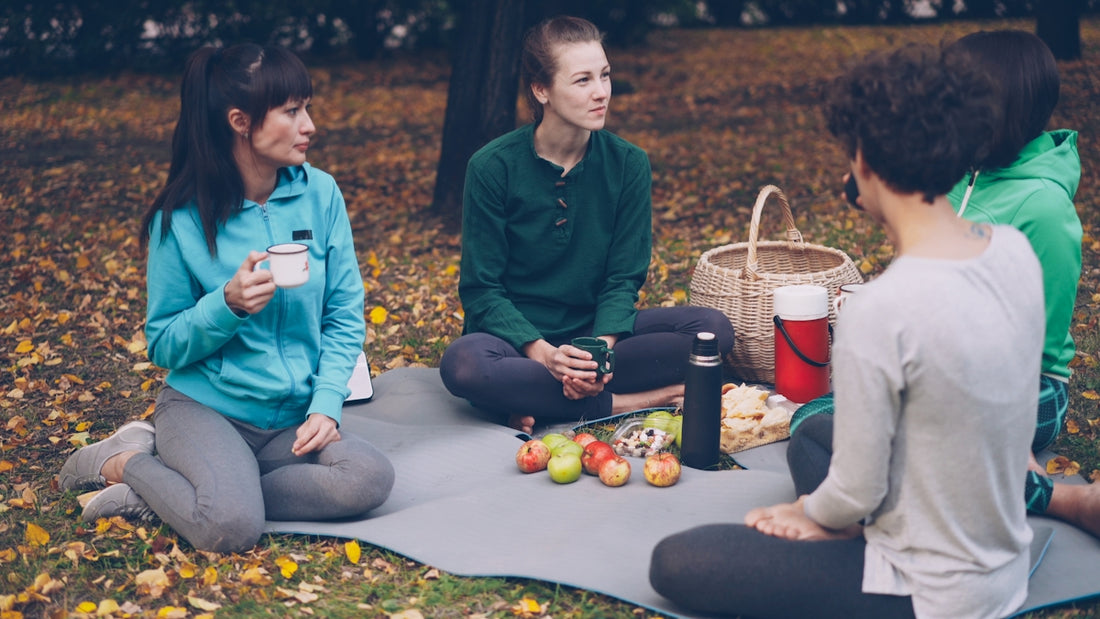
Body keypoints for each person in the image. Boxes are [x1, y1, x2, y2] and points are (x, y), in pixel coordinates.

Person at [650, 43, 1043, 618]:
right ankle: (846, 524)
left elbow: (857, 489)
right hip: (1004, 563)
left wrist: (813, 514)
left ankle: (848, 535)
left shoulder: (879, 310)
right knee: (812, 435)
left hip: (931, 591)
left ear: (863, 164)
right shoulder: (1015, 251)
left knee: (677, 561)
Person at [58, 43, 395, 553]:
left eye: (307, 107)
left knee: (368, 477)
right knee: (230, 529)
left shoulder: (320, 193)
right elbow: (163, 344)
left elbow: (344, 314)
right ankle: (127, 461)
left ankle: (196, 493)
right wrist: (227, 304)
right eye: (292, 111)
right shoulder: (181, 220)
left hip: (291, 417)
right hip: (206, 410)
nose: (310, 125)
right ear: (241, 121)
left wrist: (326, 406)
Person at [439, 15, 734, 435]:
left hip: (595, 332)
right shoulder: (491, 167)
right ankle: (642, 400)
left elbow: (623, 276)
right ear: (542, 89)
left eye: (605, 75)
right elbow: (482, 289)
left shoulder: (628, 163)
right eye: (583, 80)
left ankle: (534, 404)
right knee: (464, 364)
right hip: (517, 344)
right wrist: (544, 355)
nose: (601, 93)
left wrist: (599, 355)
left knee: (712, 332)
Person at [946, 29, 1098, 538]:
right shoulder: (960, 176)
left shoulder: (1044, 210)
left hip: (1025, 391)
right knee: (815, 419)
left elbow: (1034, 346)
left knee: (911, 435)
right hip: (943, 370)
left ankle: (1064, 500)